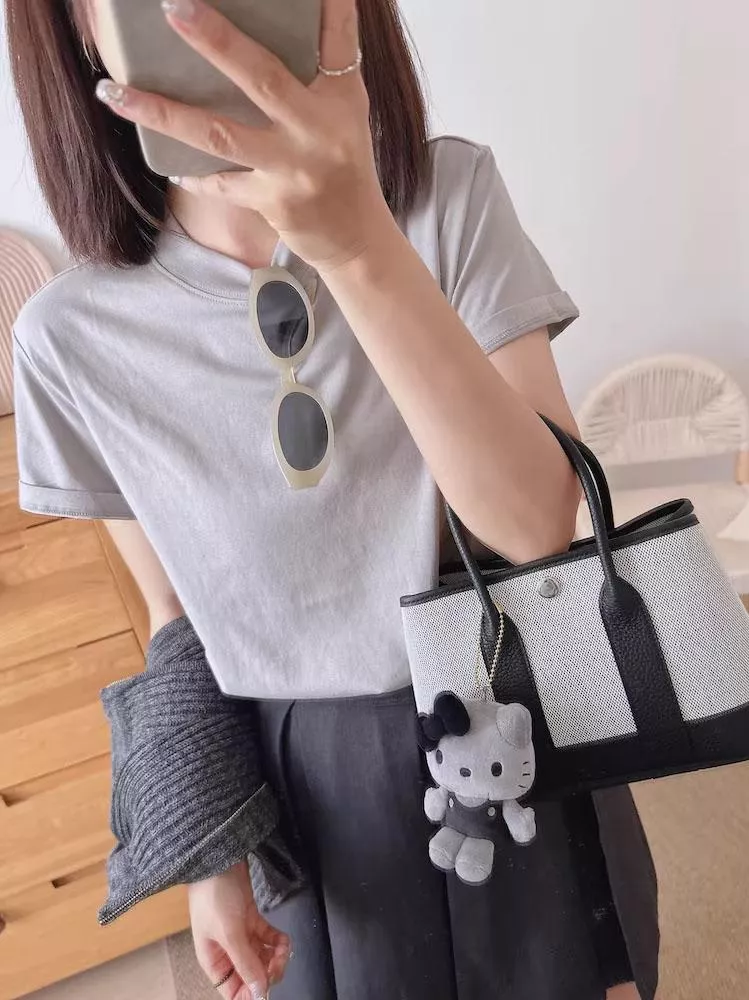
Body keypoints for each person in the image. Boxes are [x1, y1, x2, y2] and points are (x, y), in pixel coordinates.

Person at [6, 0, 658, 998]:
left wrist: (357, 247)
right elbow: (176, 617)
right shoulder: (69, 335)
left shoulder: (445, 198)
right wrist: (212, 851)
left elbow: (538, 529)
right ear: (80, 26)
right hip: (301, 792)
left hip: (517, 718)